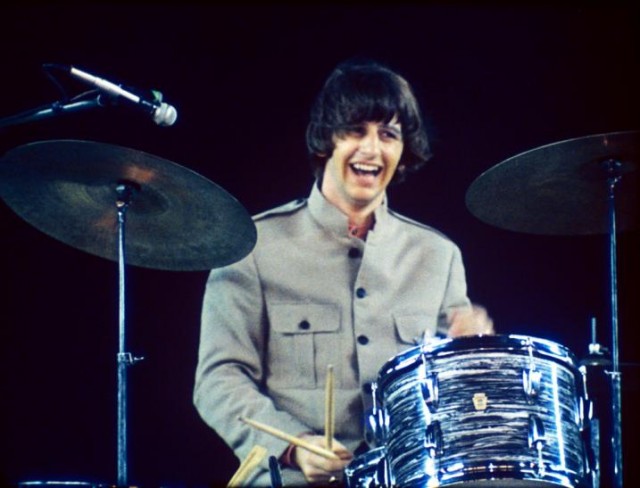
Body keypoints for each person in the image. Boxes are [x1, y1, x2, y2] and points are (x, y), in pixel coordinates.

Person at [193, 59, 494, 486]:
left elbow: (459, 404)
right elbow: (217, 381)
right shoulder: (251, 247)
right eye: (356, 131)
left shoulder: (439, 255)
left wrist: (472, 358)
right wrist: (294, 445)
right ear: (325, 141)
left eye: (388, 135)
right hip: (292, 478)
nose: (372, 149)